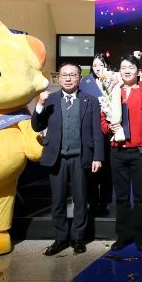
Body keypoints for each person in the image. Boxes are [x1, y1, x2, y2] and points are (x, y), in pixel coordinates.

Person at [31, 63, 104, 256]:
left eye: (73, 75)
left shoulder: (90, 101)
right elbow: (37, 126)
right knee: (58, 200)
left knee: (81, 200)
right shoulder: (50, 100)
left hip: (81, 157)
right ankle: (60, 238)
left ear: (80, 78)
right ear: (59, 78)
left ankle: (78, 238)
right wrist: (39, 105)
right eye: (65, 75)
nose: (69, 78)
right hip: (57, 158)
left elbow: (96, 131)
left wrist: (98, 156)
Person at [101, 54, 142, 252]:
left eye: (131, 67)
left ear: (138, 71)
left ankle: (141, 236)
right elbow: (103, 116)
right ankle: (123, 235)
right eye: (123, 67)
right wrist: (109, 127)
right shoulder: (113, 90)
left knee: (141, 196)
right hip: (117, 150)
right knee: (121, 197)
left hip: (140, 151)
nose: (127, 71)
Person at [79, 53, 114, 216]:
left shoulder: (114, 80)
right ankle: (92, 200)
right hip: (92, 130)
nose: (98, 68)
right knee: (92, 167)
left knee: (108, 169)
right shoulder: (86, 82)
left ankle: (105, 201)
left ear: (107, 65)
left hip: (110, 129)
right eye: (95, 65)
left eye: (101, 64)